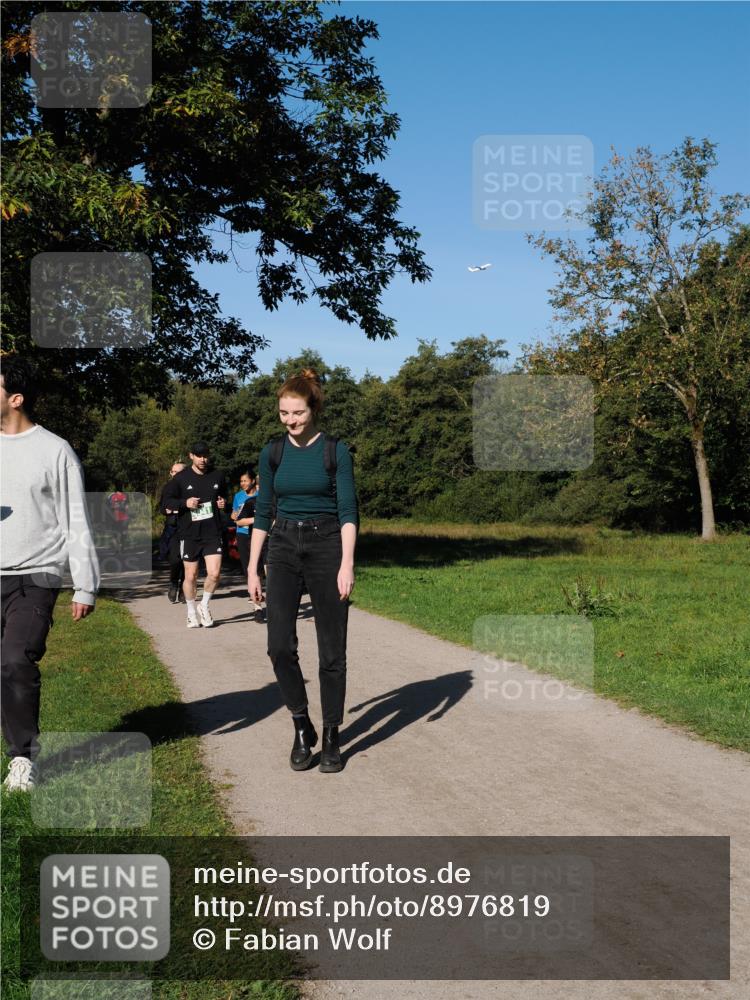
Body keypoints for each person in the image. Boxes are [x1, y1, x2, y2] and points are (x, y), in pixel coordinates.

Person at [248, 368, 358, 773]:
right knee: (278, 645)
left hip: (327, 545)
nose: (290, 420)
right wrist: (252, 568)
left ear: (313, 409)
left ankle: (331, 734)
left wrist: (346, 564)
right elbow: (262, 512)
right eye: (283, 413)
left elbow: (348, 511)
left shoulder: (335, 450)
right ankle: (301, 724)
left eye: (297, 413)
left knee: (332, 651)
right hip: (282, 547)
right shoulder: (272, 452)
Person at [0, 358, 99, 791]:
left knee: (16, 661)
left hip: (36, 575)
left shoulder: (55, 451)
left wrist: (86, 585)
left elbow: (76, 521)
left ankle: (21, 758)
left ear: (15, 398)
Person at [162, 442, 227, 628]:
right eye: (199, 456)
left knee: (214, 573)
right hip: (189, 533)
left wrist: (223, 503)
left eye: (206, 455)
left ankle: (204, 606)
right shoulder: (180, 478)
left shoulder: (217, 475)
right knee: (190, 576)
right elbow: (167, 501)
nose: (203, 459)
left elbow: (223, 497)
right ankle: (191, 611)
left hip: (212, 532)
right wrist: (185, 502)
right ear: (191, 456)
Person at [158, 461, 186, 603]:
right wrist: (167, 510)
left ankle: (184, 588)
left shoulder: (189, 488)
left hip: (188, 528)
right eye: (172, 472)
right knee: (175, 560)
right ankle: (173, 582)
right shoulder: (168, 488)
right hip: (173, 528)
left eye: (178, 472)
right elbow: (162, 507)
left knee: (187, 561)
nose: (174, 474)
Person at [107, 481, 129, 552]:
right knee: (116, 534)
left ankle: (121, 547)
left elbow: (127, 506)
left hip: (123, 518)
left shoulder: (125, 495)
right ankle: (117, 548)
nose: (120, 487)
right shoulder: (112, 496)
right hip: (115, 518)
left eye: (121, 485)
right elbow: (108, 507)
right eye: (119, 485)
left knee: (123, 534)